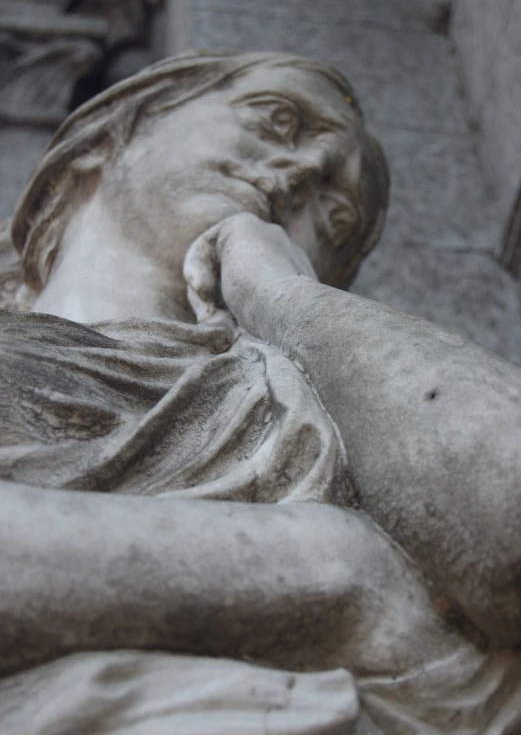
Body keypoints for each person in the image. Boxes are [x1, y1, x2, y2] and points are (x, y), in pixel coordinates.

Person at [0, 50, 520, 734]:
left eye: (337, 217)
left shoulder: (328, 417)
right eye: (278, 119)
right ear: (109, 136)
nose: (304, 172)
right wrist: (343, 574)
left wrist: (284, 297)